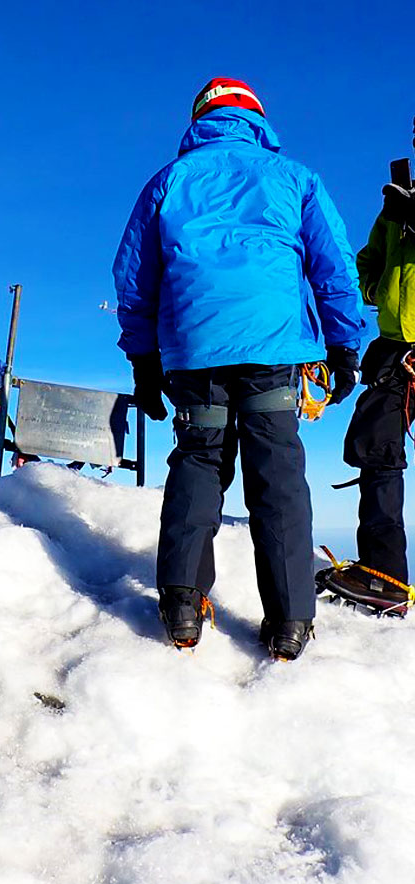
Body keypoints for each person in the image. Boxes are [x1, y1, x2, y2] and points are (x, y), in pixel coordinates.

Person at [113, 77, 366, 660]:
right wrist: (344, 345)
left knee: (199, 463)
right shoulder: (295, 178)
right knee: (276, 475)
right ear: (257, 119)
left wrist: (143, 363)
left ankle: (181, 606)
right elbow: (334, 268)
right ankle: (290, 622)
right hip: (274, 350)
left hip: (194, 353)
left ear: (199, 118)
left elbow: (134, 281)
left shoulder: (167, 181)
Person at [322, 118, 415, 613]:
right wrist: (373, 287)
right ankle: (384, 577)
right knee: (374, 444)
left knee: (377, 445)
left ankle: (385, 579)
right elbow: (368, 261)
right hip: (400, 347)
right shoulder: (399, 200)